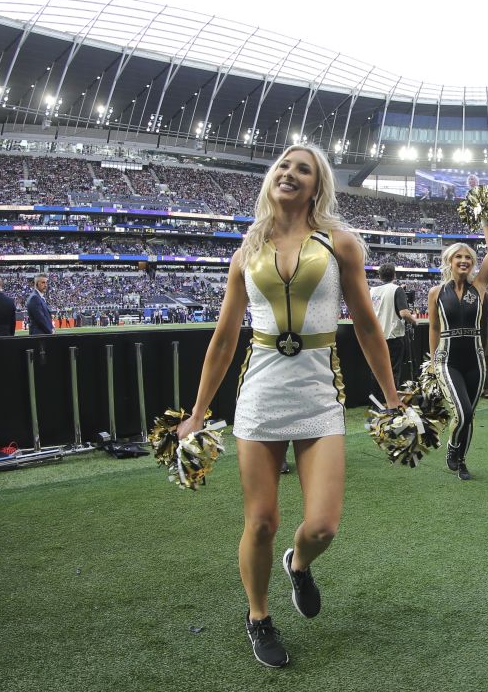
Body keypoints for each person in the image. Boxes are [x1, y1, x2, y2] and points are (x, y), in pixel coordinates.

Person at [175, 145, 402, 669]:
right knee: (260, 522)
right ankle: (258, 617)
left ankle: (298, 564)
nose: (290, 173)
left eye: (304, 169)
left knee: (322, 526)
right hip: (259, 397)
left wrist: (392, 399)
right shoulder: (246, 249)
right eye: (283, 165)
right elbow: (224, 341)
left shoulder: (341, 243)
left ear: (317, 185)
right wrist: (197, 412)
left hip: (320, 396)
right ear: (271, 179)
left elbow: (366, 324)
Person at [428, 223, 488, 480]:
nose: (464, 260)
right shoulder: (436, 292)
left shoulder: (479, 287)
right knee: (463, 411)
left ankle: (462, 461)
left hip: (475, 360)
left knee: (470, 414)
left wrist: (484, 219)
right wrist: (434, 362)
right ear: (449, 261)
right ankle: (452, 447)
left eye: (468, 257)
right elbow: (434, 329)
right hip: (448, 360)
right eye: (458, 256)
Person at [368, 263, 416, 395]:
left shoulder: (371, 290)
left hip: (375, 338)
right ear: (394, 275)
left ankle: (377, 402)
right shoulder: (397, 290)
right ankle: (391, 402)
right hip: (393, 337)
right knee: (393, 371)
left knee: (376, 371)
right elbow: (404, 314)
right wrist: (414, 321)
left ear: (379, 276)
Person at [480, 288, 488, 399]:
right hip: (484, 333)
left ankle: (486, 388)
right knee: (481, 362)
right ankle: (486, 388)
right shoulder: (487, 296)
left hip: (473, 333)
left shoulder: (475, 294)